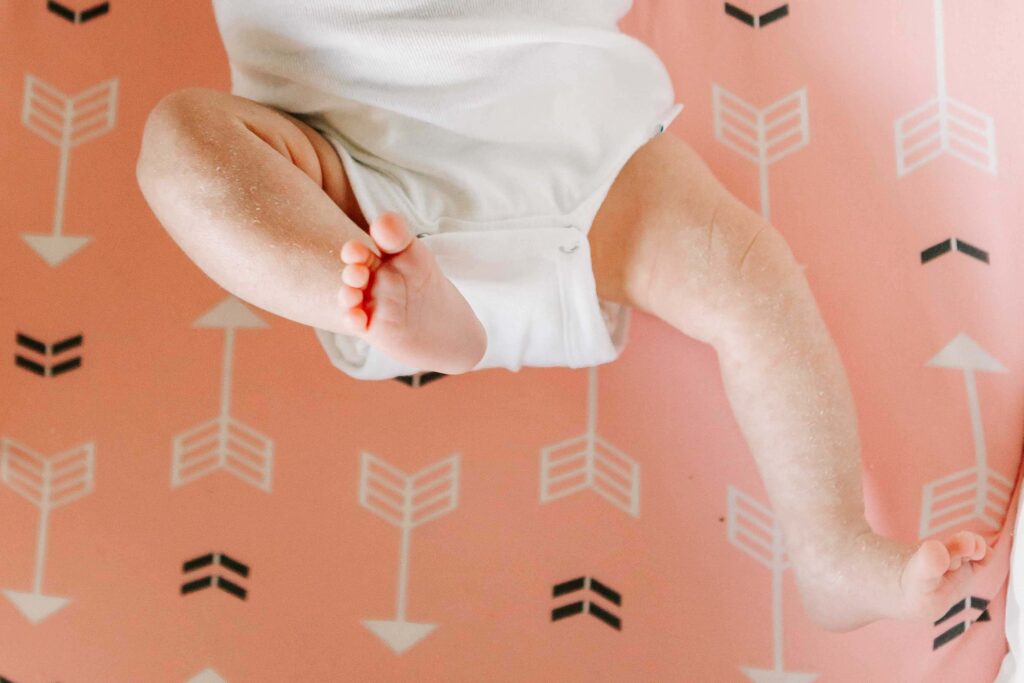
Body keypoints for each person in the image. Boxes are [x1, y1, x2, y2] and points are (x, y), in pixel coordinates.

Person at [135, 0, 988, 631]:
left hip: (571, 138)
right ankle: (355, 291)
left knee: (747, 277)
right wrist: (344, 259)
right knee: (181, 145)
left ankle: (831, 545)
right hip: (337, 165)